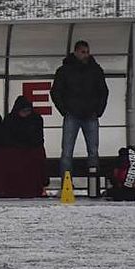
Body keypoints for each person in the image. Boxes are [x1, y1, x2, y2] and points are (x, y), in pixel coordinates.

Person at [50, 40, 109, 180]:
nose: (86, 55)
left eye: (87, 52)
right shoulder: (65, 70)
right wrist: (65, 110)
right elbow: (55, 92)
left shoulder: (95, 70)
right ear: (75, 52)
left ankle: (93, 184)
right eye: (83, 52)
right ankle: (67, 184)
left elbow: (103, 91)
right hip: (73, 114)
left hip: (89, 115)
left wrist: (98, 110)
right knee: (67, 152)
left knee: (92, 151)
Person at [1, 96, 48, 198]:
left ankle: (40, 186)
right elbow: (5, 138)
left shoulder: (36, 119)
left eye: (28, 111)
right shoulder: (10, 119)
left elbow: (39, 138)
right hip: (15, 148)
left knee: (37, 153)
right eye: (23, 111)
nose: (26, 113)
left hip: (31, 147)